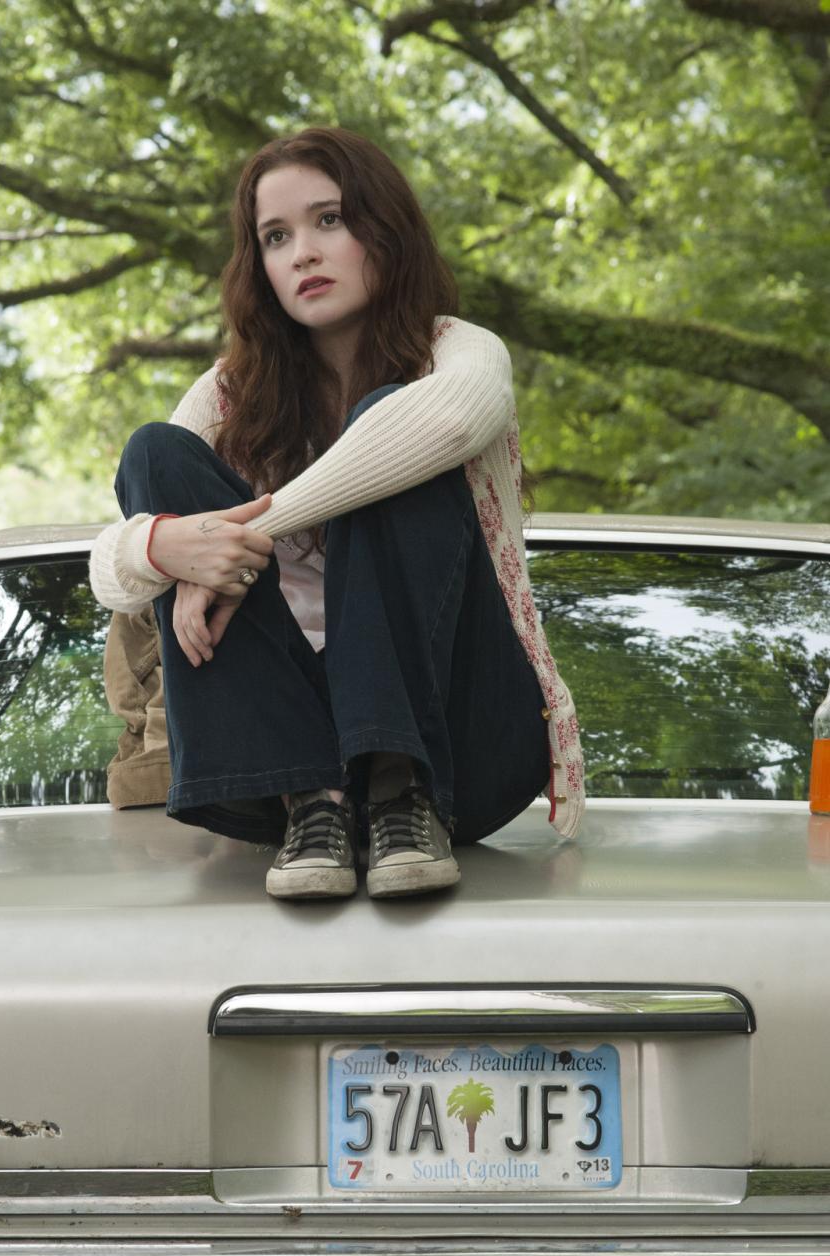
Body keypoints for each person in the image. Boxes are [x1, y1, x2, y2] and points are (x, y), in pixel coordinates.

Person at [89, 126, 584, 900]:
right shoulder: (227, 396)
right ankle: (313, 800)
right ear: (259, 265)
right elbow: (109, 574)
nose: (303, 254)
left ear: (384, 230)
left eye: (329, 220)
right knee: (155, 450)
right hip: (280, 769)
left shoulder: (458, 351)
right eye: (276, 237)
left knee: (390, 422)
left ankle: (398, 785)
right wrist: (164, 548)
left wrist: (245, 536)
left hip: (464, 750)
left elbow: (449, 425)